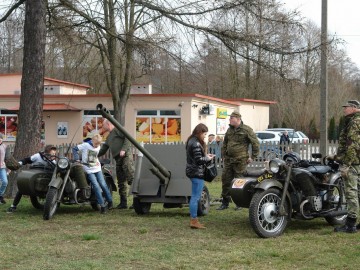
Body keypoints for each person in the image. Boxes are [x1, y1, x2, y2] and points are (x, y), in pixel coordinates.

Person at [217, 111, 259, 210]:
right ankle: (225, 202)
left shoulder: (246, 130)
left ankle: (239, 203)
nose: (230, 119)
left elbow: (255, 143)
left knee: (239, 181)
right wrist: (224, 154)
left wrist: (252, 157)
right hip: (229, 160)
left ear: (238, 119)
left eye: (232, 118)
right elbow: (225, 143)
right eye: (230, 118)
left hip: (240, 160)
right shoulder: (229, 130)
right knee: (226, 180)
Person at [329, 100, 360, 233]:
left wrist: (346, 165)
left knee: (351, 192)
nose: (344, 110)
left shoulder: (354, 122)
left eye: (346, 107)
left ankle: (350, 225)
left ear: (354, 108)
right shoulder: (355, 120)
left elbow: (352, 145)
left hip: (353, 163)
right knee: (358, 192)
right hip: (357, 161)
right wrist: (336, 157)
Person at [7, 145, 57, 213]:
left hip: (45, 177)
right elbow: (26, 160)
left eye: (54, 154)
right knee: (21, 189)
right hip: (33, 173)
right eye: (52, 153)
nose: (54, 155)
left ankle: (51, 204)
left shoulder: (53, 162)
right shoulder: (38, 156)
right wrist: (18, 164)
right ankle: (13, 206)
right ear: (47, 152)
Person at [98, 119, 135, 209]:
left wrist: (123, 149)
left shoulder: (118, 129)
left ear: (108, 124)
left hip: (125, 156)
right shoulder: (109, 136)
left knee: (130, 177)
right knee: (121, 181)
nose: (103, 127)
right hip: (118, 159)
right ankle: (123, 203)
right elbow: (103, 149)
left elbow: (128, 138)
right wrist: (94, 155)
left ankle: (136, 201)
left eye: (104, 125)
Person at [73, 133, 113, 214]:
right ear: (92, 141)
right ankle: (102, 206)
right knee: (96, 186)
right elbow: (74, 149)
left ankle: (110, 201)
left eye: (98, 144)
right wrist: (77, 159)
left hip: (97, 168)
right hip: (88, 170)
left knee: (103, 184)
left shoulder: (98, 146)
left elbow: (94, 157)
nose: (96, 146)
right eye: (95, 144)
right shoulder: (85, 145)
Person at [186, 123, 215, 229]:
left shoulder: (191, 140)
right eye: (204, 134)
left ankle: (193, 220)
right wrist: (208, 158)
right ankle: (193, 221)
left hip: (192, 171)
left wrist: (206, 156)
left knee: (194, 196)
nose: (205, 136)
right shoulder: (196, 144)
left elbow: (195, 158)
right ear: (199, 132)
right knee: (195, 197)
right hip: (196, 173)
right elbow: (198, 160)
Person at [0, 133, 8, 204]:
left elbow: (7, 158)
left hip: (2, 167)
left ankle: (0, 195)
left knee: (5, 182)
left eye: (1, 138)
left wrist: (9, 168)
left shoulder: (4, 146)